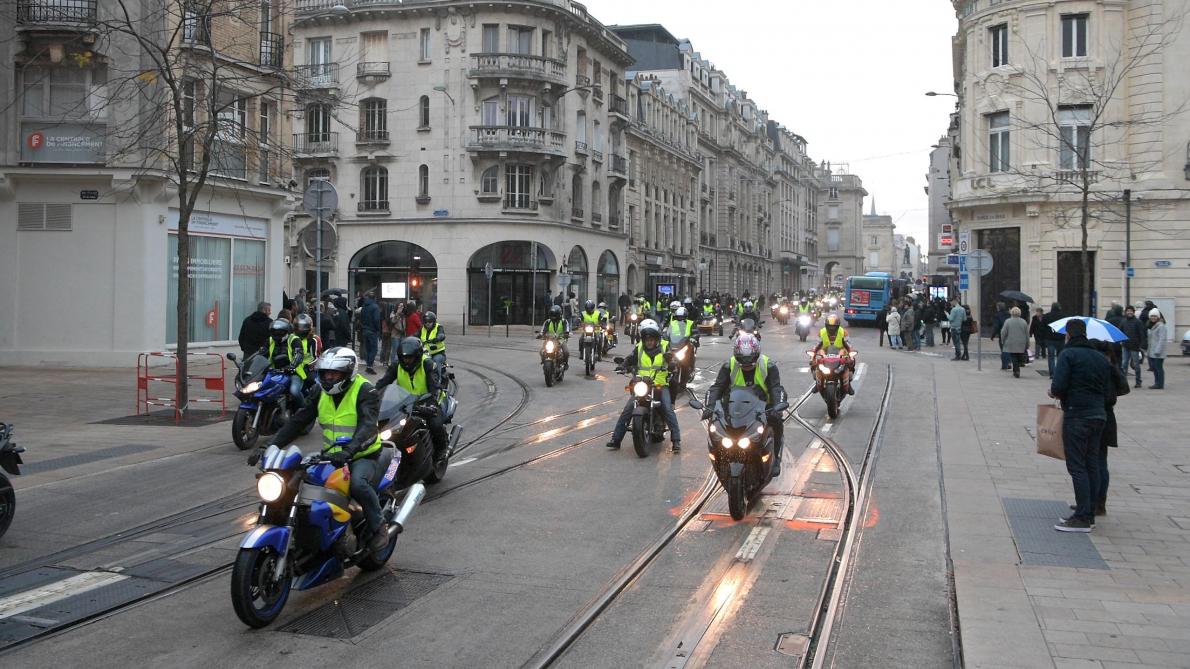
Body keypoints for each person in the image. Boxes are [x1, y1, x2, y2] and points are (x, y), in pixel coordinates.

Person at [265, 347, 389, 552]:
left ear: (348, 373)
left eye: (335, 374)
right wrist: (270, 445)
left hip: (363, 455)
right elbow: (298, 421)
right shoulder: (319, 391)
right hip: (331, 455)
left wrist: (349, 451)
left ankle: (379, 527)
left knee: (358, 485)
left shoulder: (365, 391)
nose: (329, 378)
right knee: (296, 481)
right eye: (325, 373)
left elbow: (367, 427)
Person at [1049, 319, 1112, 532]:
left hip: (1077, 415)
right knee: (1092, 463)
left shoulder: (1068, 355)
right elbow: (1109, 389)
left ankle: (1083, 517)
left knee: (1077, 466)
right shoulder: (1100, 357)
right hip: (1099, 415)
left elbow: (1058, 386)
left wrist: (1053, 392)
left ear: (1068, 335)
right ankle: (1090, 510)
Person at [703, 333, 788, 475]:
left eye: (750, 360)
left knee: (777, 423)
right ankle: (718, 456)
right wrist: (710, 407)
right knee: (715, 425)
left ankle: (776, 458)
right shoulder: (728, 366)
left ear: (757, 354)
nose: (747, 365)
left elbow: (776, 388)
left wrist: (777, 408)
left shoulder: (769, 366)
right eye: (743, 360)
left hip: (762, 408)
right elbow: (717, 387)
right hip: (734, 408)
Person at [606, 319, 681, 452]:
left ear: (656, 339)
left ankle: (676, 441)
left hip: (659, 385)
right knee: (628, 409)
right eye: (647, 340)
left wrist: (672, 364)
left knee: (668, 409)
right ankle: (616, 439)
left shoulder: (665, 346)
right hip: (642, 384)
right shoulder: (639, 347)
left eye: (651, 339)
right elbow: (630, 358)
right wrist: (623, 366)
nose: (649, 342)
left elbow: (673, 359)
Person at [376, 337, 449, 465]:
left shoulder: (428, 364)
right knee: (386, 425)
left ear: (418, 356)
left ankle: (442, 450)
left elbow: (434, 388)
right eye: (404, 358)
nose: (406, 361)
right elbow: (383, 383)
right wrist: (371, 395)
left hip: (427, 401)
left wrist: (430, 404)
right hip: (404, 403)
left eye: (409, 358)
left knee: (435, 423)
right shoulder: (396, 366)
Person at [814, 313, 855, 394]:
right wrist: (813, 356)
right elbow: (817, 345)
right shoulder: (821, 332)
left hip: (840, 352)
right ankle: (817, 383)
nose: (831, 328)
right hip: (825, 352)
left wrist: (850, 356)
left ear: (838, 326)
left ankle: (849, 383)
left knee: (851, 362)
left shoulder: (844, 332)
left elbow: (849, 345)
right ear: (826, 326)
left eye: (834, 327)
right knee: (814, 362)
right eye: (829, 326)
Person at [288, 314, 321, 410]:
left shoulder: (314, 339)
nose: (301, 330)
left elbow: (317, 356)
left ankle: (307, 408)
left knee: (314, 384)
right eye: (299, 327)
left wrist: (308, 366)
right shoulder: (291, 337)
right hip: (293, 368)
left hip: (308, 369)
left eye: (304, 327)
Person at [1118, 305, 1146, 388]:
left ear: (1133, 312)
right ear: (1126, 312)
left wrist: (1141, 345)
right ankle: (1123, 382)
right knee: (1124, 364)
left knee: (1136, 365)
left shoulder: (1138, 322)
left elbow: (1142, 334)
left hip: (1135, 346)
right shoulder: (1123, 321)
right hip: (1125, 345)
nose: (1129, 312)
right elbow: (1120, 332)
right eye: (1128, 311)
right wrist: (1120, 341)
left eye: (1131, 311)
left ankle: (1138, 381)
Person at [999, 307, 1030, 378]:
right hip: (1021, 342)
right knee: (1018, 356)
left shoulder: (1008, 321)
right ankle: (1016, 370)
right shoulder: (1023, 322)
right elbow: (1027, 334)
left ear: (1011, 313)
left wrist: (1003, 340)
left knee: (1013, 356)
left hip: (1011, 342)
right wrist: (1027, 344)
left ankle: (1016, 370)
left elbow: (1003, 332)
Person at [359, 293, 382, 374]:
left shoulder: (364, 307)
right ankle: (369, 366)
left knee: (368, 349)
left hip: (365, 330)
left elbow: (361, 318)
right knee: (374, 349)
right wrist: (378, 329)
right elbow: (376, 319)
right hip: (372, 331)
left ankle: (368, 365)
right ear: (374, 298)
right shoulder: (375, 307)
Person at [419, 311, 446, 379]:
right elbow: (415, 335)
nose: (427, 323)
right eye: (425, 322)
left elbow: (441, 334)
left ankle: (438, 380)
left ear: (434, 321)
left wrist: (438, 338)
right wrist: (409, 339)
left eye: (429, 321)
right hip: (426, 353)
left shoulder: (439, 327)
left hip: (438, 353)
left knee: (436, 361)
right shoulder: (422, 329)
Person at [1041, 302, 1065, 376]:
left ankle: (1052, 373)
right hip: (1060, 339)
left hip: (1049, 339)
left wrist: (1043, 338)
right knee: (1060, 357)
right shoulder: (1063, 316)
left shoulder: (1046, 316)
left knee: (1051, 357)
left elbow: (1042, 328)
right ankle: (1059, 372)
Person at [1146, 309, 1167, 389]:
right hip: (1152, 351)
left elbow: (1162, 339)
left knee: (1158, 368)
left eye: (1155, 316)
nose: (1153, 317)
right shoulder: (1151, 326)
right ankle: (1157, 383)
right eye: (1151, 316)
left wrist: (1158, 350)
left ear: (1158, 317)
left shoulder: (1161, 326)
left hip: (1158, 352)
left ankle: (1160, 384)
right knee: (1155, 368)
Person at [990, 302, 1011, 370]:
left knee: (1003, 350)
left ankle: (1004, 365)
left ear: (998, 307)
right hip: (1009, 334)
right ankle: (1009, 362)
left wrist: (993, 335)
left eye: (997, 307)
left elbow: (996, 326)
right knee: (1008, 349)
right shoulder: (1009, 314)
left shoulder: (997, 315)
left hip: (1002, 334)